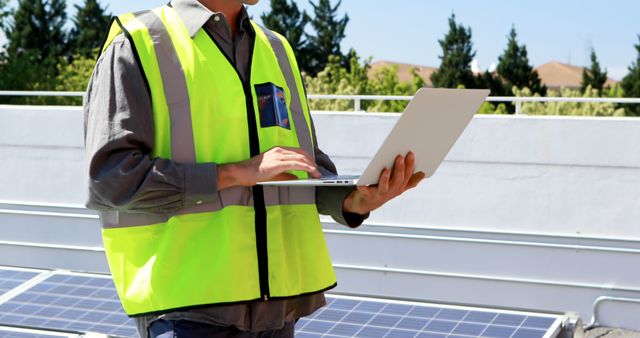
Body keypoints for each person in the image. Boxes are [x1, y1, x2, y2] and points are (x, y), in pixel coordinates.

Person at [83, 0, 425, 337]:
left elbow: (303, 168)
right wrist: (232, 173)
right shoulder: (138, 42)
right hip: (188, 313)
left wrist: (357, 201)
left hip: (276, 312)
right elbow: (111, 179)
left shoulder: (276, 49)